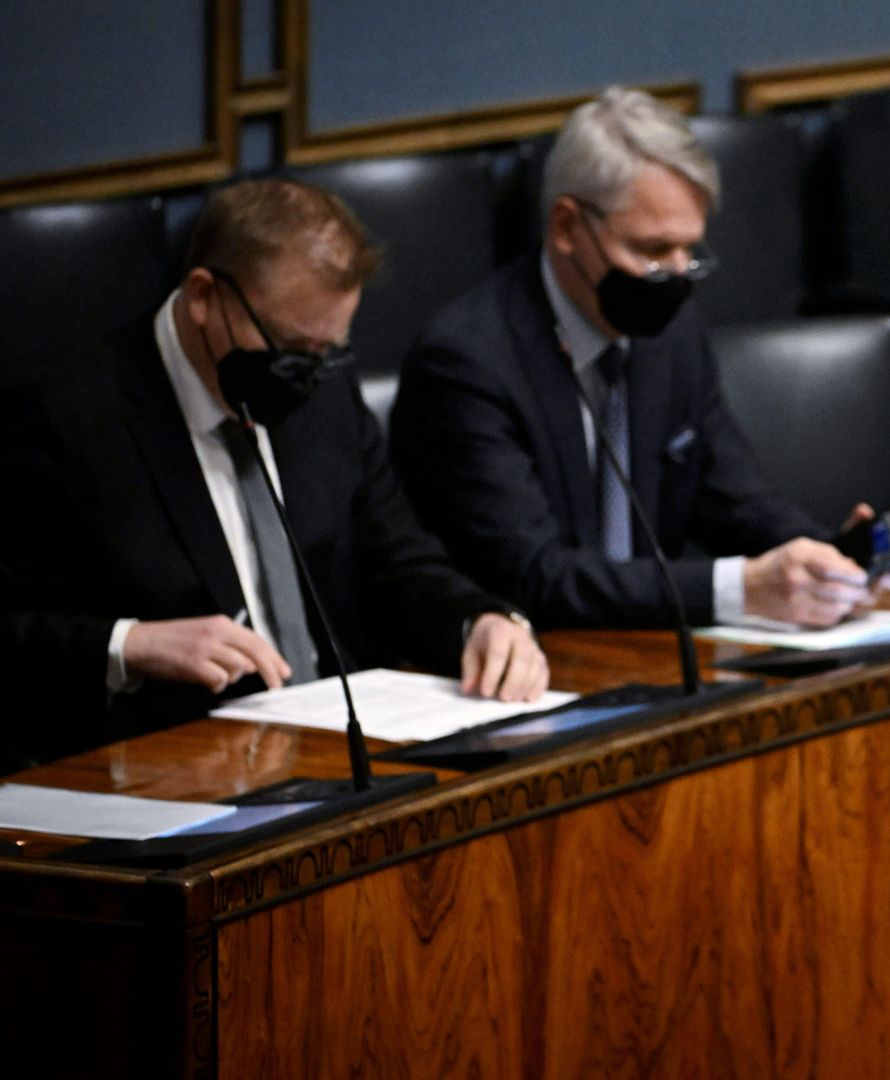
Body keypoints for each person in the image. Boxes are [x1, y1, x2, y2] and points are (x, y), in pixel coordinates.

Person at [0, 178, 548, 768]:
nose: (305, 378)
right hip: (173, 766)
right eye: (287, 348)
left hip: (339, 749)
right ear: (204, 296)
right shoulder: (70, 417)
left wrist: (479, 620)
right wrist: (130, 643)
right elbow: (10, 629)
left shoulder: (324, 390)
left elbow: (397, 558)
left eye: (325, 351)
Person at [391, 86, 890, 631]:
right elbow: (534, 575)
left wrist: (828, 559)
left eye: (689, 249)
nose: (676, 275)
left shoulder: (672, 332)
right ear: (567, 227)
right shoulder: (467, 361)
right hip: (528, 656)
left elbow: (730, 496)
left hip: (649, 645)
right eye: (653, 250)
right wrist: (740, 589)